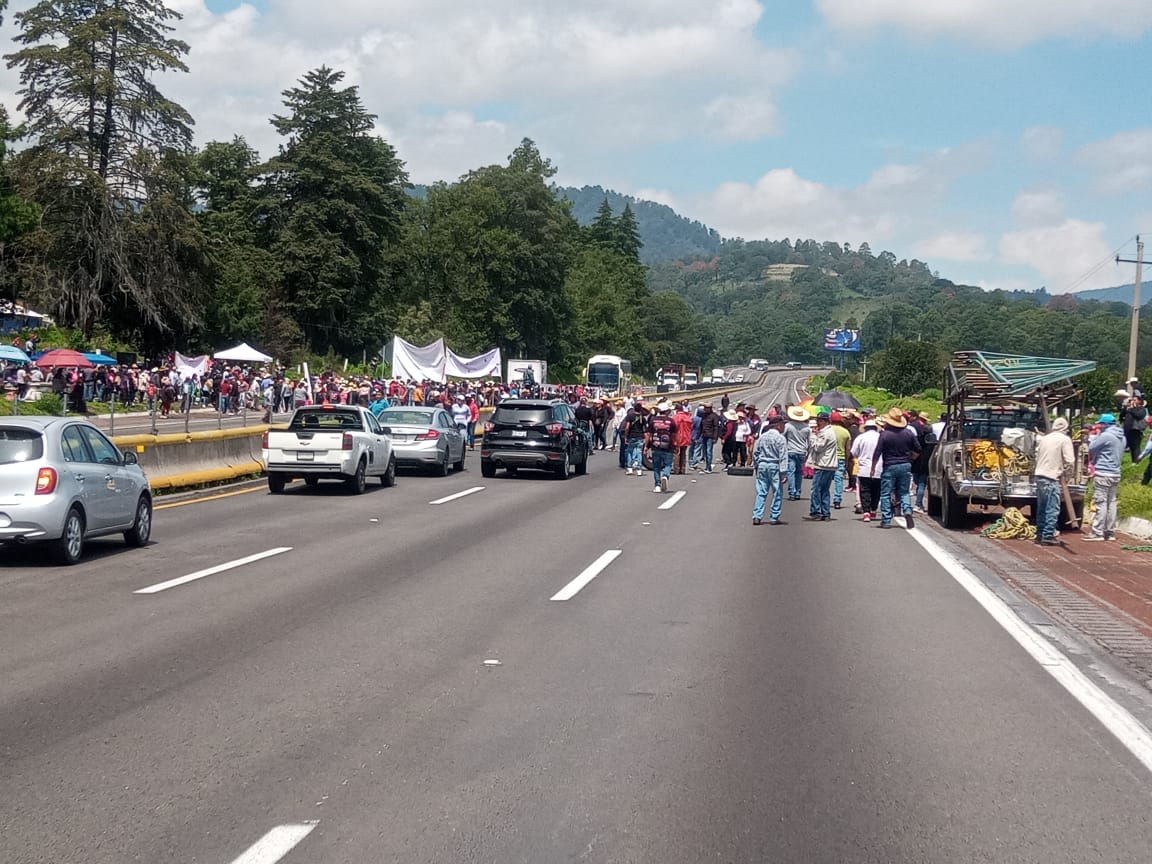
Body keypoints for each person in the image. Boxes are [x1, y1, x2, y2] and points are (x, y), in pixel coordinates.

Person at [875, 407, 920, 529]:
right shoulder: (908, 433)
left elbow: (877, 452)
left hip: (890, 465)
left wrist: (873, 467)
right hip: (905, 465)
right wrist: (911, 459)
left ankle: (886, 520)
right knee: (904, 491)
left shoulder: (884, 435)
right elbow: (918, 449)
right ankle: (907, 510)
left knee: (885, 493)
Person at [1033, 417, 1074, 546]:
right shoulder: (1065, 439)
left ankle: (1039, 534)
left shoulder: (1045, 439)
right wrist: (1067, 476)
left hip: (1039, 476)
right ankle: (1048, 535)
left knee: (1042, 507)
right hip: (1051, 478)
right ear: (1065, 428)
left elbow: (1037, 456)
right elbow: (1070, 461)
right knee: (1052, 508)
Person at [1084, 413, 1125, 541]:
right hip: (1115, 472)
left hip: (1103, 472)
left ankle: (1097, 532)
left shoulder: (1106, 435)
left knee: (1101, 502)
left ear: (1106, 424)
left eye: (1101, 424)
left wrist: (1097, 435)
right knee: (1111, 502)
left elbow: (1091, 448)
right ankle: (1110, 532)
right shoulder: (1122, 437)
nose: (1099, 426)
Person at [751, 413, 788, 525]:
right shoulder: (780, 438)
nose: (784, 427)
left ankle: (757, 515)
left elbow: (755, 453)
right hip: (774, 466)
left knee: (761, 492)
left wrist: (757, 465)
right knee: (777, 492)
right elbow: (783, 456)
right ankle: (774, 516)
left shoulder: (762, 437)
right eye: (783, 424)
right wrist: (784, 473)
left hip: (762, 465)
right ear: (778, 425)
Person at [803, 411, 838, 521]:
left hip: (823, 464)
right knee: (824, 490)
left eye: (820, 420)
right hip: (828, 464)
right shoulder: (827, 432)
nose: (818, 422)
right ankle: (825, 512)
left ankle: (816, 511)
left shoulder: (825, 433)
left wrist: (813, 437)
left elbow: (818, 448)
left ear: (825, 421)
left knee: (817, 489)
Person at [850, 418, 882, 521]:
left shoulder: (861, 437)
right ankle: (873, 509)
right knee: (876, 490)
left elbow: (854, 452)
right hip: (878, 467)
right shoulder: (880, 437)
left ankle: (866, 512)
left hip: (864, 468)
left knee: (865, 490)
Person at [645, 400, 678, 493]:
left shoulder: (653, 420)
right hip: (668, 446)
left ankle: (658, 485)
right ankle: (665, 476)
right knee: (668, 464)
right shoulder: (671, 421)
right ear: (667, 411)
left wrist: (646, 446)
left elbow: (648, 434)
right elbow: (676, 435)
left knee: (656, 467)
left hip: (655, 446)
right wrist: (677, 446)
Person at [783, 405, 810, 500]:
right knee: (799, 472)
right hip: (802, 451)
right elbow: (810, 442)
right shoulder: (807, 427)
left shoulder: (788, 425)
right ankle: (798, 492)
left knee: (791, 472)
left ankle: (792, 492)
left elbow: (782, 437)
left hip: (790, 450)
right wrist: (808, 453)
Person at [829, 411, 851, 509]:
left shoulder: (827, 430)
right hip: (841, 457)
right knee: (839, 480)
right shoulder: (845, 432)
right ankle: (837, 500)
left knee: (826, 480)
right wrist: (847, 461)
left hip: (828, 458)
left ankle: (825, 499)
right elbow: (848, 449)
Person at [623, 398, 648, 476]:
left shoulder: (630, 416)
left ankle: (630, 468)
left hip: (632, 436)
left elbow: (627, 427)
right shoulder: (642, 418)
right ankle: (639, 469)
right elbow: (645, 430)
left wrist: (626, 436)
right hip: (640, 436)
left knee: (630, 451)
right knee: (639, 452)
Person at [1120, 396, 1147, 462]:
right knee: (1127, 446)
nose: (1133, 401)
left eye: (1134, 400)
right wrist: (1126, 407)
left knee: (1135, 446)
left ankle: (1136, 461)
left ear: (1139, 401)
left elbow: (1139, 416)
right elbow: (1121, 415)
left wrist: (1132, 409)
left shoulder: (1141, 409)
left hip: (1136, 430)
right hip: (1127, 429)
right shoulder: (1128, 408)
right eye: (1132, 400)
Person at [697, 403, 720, 473]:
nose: (704, 409)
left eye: (706, 408)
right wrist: (697, 436)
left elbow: (716, 427)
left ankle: (708, 467)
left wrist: (715, 438)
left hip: (710, 436)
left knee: (708, 451)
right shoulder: (704, 415)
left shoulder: (714, 416)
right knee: (705, 452)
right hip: (704, 435)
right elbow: (701, 426)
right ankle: (707, 466)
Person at [672, 402, 693, 474]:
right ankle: (682, 469)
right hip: (686, 438)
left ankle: (676, 469)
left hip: (677, 438)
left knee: (676, 453)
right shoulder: (687, 417)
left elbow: (673, 428)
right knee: (683, 454)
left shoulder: (675, 417)